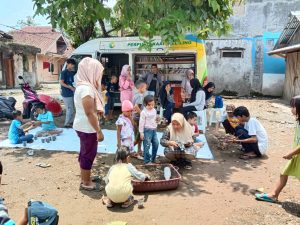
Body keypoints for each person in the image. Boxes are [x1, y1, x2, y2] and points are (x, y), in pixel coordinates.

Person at [255, 96, 300, 203]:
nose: (291, 109)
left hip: (296, 153)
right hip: (297, 155)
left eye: (294, 107)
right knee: (284, 172)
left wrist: (290, 153)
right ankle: (274, 195)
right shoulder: (298, 121)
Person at [73, 57, 104, 192]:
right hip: (87, 127)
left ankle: (86, 177)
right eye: (97, 72)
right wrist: (99, 131)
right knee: (88, 154)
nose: (99, 75)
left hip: (83, 126)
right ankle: (86, 182)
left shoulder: (82, 86)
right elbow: (89, 113)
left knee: (85, 152)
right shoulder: (86, 89)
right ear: (91, 71)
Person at [139, 95, 159, 164]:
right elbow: (141, 123)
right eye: (149, 105)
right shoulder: (143, 112)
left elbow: (155, 119)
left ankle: (153, 158)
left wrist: (157, 121)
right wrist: (141, 132)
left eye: (153, 105)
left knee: (156, 143)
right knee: (147, 145)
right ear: (145, 104)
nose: (151, 106)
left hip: (154, 130)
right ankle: (147, 161)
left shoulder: (154, 110)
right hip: (147, 130)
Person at [132, 80, 148, 159]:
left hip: (136, 118)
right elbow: (136, 106)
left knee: (139, 136)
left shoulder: (136, 95)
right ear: (141, 88)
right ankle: (128, 150)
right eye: (145, 88)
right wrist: (142, 115)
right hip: (138, 118)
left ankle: (139, 151)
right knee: (138, 136)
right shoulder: (139, 96)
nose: (145, 89)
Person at [60, 58, 76, 128]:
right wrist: (69, 87)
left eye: (73, 65)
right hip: (66, 94)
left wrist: (74, 88)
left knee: (72, 109)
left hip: (71, 93)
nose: (72, 66)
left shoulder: (71, 73)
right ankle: (66, 124)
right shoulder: (64, 72)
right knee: (69, 109)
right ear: (67, 64)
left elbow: (71, 83)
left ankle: (71, 122)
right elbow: (61, 82)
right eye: (71, 64)